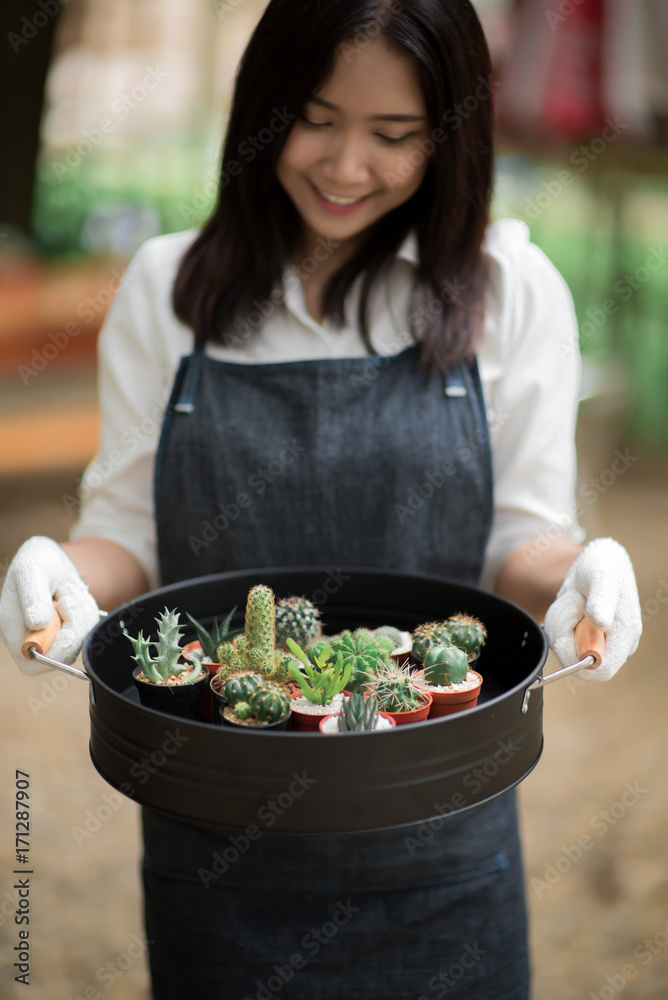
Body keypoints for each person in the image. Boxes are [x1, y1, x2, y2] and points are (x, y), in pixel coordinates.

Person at [0, 1, 642, 997]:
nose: (346, 168)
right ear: (260, 107)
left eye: (393, 136)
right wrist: (56, 569)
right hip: (216, 829)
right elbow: (125, 533)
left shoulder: (508, 288)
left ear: (448, 135)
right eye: (313, 118)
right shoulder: (169, 289)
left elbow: (521, 542)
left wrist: (583, 572)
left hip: (438, 836)